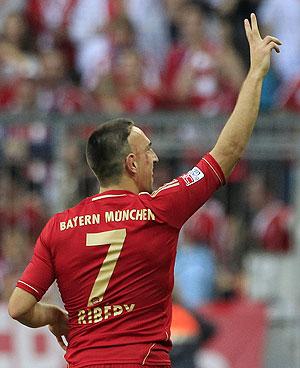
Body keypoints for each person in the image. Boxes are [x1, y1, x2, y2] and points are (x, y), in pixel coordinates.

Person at [8, 14, 281, 368]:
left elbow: (18, 307)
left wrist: (53, 316)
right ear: (132, 164)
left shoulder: (58, 227)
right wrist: (256, 74)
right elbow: (226, 152)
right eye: (147, 149)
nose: (154, 156)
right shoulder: (159, 209)